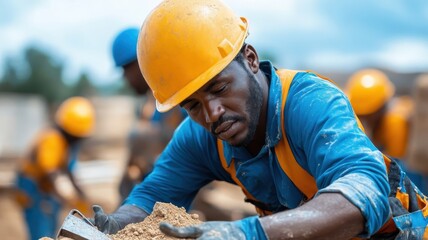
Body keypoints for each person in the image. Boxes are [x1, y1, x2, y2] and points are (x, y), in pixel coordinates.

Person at [92, 0, 428, 239]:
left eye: (220, 88)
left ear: (250, 59)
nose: (212, 113)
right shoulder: (201, 136)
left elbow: (363, 190)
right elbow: (152, 198)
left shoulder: (309, 103)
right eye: (192, 105)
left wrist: (246, 233)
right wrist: (114, 225)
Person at [111, 27, 187, 200]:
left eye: (125, 69)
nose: (125, 78)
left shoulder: (177, 98)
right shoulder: (149, 104)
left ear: (140, 61)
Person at [14, 96, 95, 240]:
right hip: (33, 189)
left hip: (43, 189)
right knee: (41, 231)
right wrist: (69, 195)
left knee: (49, 226)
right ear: (71, 133)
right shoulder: (52, 139)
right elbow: (52, 172)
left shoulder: (63, 143)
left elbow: (67, 171)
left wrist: (82, 196)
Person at [346, 69, 428, 194]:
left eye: (368, 114)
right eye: (361, 114)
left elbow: (394, 163)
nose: (364, 118)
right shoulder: (378, 121)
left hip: (409, 174)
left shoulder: (395, 121)